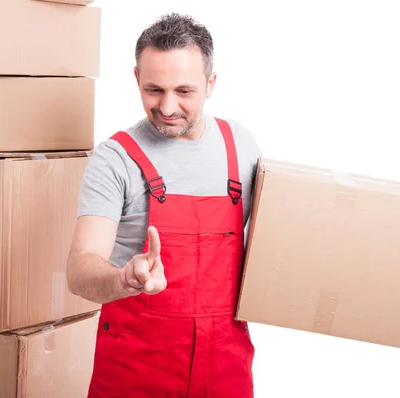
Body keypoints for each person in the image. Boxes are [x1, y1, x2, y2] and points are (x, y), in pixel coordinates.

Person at [66, 12, 261, 398]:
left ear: (211, 84)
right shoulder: (115, 158)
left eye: (184, 92)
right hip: (135, 370)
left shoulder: (241, 146)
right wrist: (123, 278)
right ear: (136, 78)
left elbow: (268, 253)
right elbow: (79, 269)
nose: (168, 107)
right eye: (153, 90)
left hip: (224, 369)